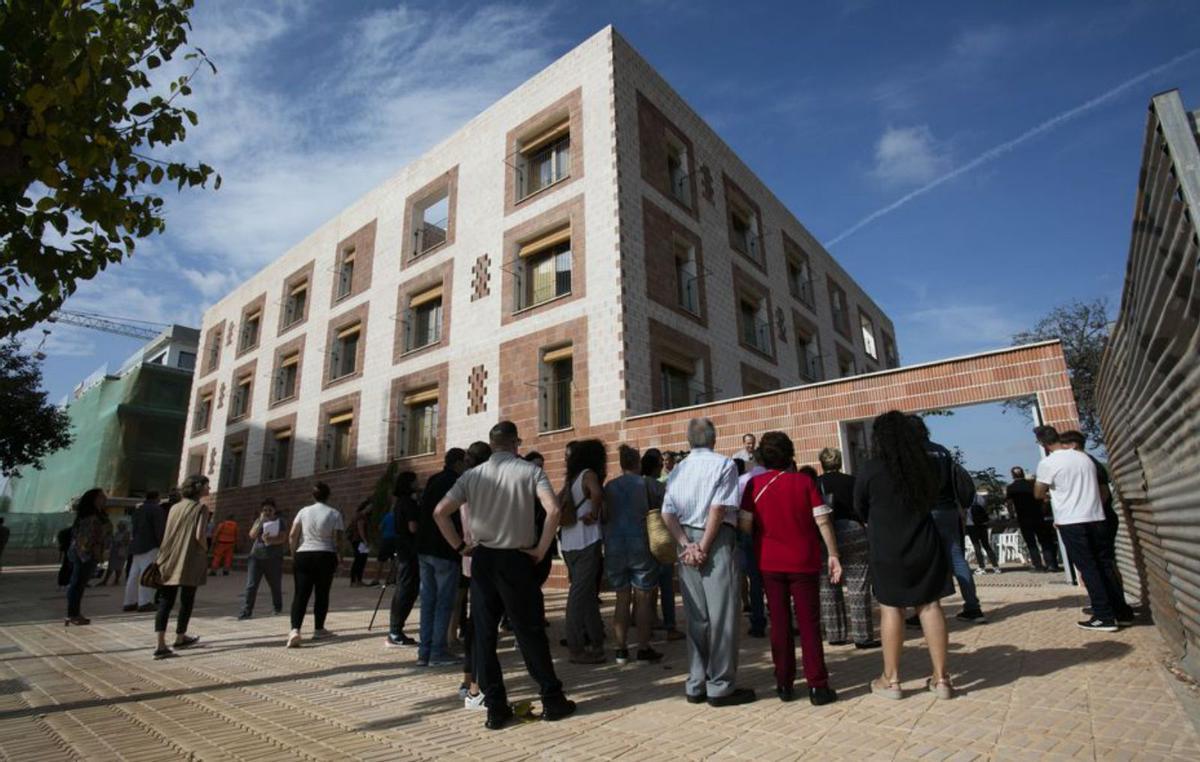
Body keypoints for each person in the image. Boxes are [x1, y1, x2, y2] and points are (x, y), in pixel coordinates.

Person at [434, 421, 577, 730]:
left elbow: (440, 512)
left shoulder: (472, 475)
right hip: (517, 557)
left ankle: (496, 709)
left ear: (492, 443)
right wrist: (541, 548)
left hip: (484, 557)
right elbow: (553, 510)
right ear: (516, 443)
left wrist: (460, 547)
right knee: (529, 631)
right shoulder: (529, 471)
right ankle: (552, 699)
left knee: (484, 635)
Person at [856, 412, 955, 700]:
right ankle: (941, 679)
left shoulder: (870, 468)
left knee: (891, 608)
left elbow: (859, 507)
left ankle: (892, 679)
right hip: (924, 542)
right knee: (930, 606)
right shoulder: (926, 467)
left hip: (886, 547)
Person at [661, 418, 756, 707]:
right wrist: (702, 546)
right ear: (713, 440)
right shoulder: (724, 464)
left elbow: (667, 513)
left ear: (689, 441)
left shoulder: (678, 469)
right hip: (715, 542)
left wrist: (685, 545)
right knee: (723, 616)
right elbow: (717, 508)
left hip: (686, 541)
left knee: (697, 618)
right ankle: (721, 686)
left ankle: (696, 682)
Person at [740, 432, 840, 704]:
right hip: (804, 560)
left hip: (769, 561)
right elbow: (822, 521)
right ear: (789, 454)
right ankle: (818, 685)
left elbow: (746, 525)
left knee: (779, 623)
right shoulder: (804, 482)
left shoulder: (753, 485)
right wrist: (833, 553)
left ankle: (784, 682)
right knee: (809, 623)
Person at [1034, 426, 1134, 631]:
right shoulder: (1085, 458)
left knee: (1088, 568)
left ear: (1043, 443)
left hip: (1072, 521)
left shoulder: (1048, 462)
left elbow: (1037, 493)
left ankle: (1103, 616)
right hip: (1097, 517)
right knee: (1105, 565)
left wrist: (1050, 492)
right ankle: (1122, 612)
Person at [908, 415, 986, 624]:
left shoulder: (911, 453)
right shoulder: (942, 450)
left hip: (924, 512)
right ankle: (973, 606)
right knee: (957, 558)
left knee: (925, 561)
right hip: (949, 509)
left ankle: (925, 611)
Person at [603, 444, 665, 665]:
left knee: (621, 597)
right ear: (638, 462)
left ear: (621, 464)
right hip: (641, 543)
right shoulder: (648, 484)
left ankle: (620, 650)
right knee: (643, 598)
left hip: (614, 546)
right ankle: (643, 647)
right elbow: (667, 505)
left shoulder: (609, 487)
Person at [816, 447, 879, 649]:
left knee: (828, 584)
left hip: (826, 534)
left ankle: (835, 634)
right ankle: (862, 636)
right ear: (840, 461)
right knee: (858, 584)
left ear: (822, 463)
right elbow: (863, 507)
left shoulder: (816, 483)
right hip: (853, 530)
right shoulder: (852, 481)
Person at [1060, 429, 1128, 606]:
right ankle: (1113, 605)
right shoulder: (1088, 463)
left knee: (1104, 564)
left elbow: (1103, 492)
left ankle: (1117, 606)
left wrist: (1090, 513)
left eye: (1064, 447)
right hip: (1098, 518)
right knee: (1102, 564)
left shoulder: (1088, 464)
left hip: (1099, 519)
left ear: (1073, 445)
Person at [557, 439, 607, 664]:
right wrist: (594, 513)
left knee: (586, 595)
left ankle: (597, 641)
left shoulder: (571, 479)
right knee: (579, 596)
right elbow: (596, 494)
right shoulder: (589, 474)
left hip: (568, 543)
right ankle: (576, 648)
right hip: (587, 540)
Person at [153, 475, 212, 658]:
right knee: (187, 599)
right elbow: (199, 535)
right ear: (198, 487)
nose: (208, 489)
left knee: (166, 601)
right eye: (206, 485)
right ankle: (180, 636)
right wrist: (206, 550)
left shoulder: (174, 507)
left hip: (168, 557)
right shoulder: (200, 508)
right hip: (189, 558)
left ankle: (160, 643)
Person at [417, 452, 467, 667]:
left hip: (424, 548)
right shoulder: (455, 482)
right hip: (445, 549)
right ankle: (438, 652)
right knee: (444, 602)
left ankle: (424, 652)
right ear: (458, 463)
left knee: (428, 602)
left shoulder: (433, 480)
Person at [287, 482, 345, 647]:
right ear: (329, 496)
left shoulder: (303, 511)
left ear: (313, 496)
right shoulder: (334, 513)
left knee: (300, 594)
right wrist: (339, 556)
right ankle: (318, 629)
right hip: (325, 554)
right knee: (322, 593)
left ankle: (295, 629)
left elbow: (292, 535)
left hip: (304, 553)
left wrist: (294, 555)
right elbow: (339, 539)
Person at [642, 448, 684, 641]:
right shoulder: (658, 487)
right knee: (666, 585)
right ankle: (670, 627)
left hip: (642, 539)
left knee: (645, 587)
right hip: (660, 538)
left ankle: (648, 624)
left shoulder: (636, 484)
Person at [385, 472, 421, 647]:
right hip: (409, 551)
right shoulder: (409, 503)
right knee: (407, 590)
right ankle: (395, 631)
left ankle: (395, 629)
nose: (417, 483)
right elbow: (413, 527)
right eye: (415, 481)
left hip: (402, 549)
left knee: (403, 588)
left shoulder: (399, 503)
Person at [65, 488, 110, 626]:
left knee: (79, 584)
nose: (105, 499)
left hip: (89, 554)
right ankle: (73, 614)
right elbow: (85, 539)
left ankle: (74, 613)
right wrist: (94, 553)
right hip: (85, 555)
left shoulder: (97, 515)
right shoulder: (90, 517)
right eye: (101, 497)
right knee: (77, 584)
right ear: (94, 500)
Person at [734, 456, 768, 639]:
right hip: (770, 531)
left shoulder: (743, 481)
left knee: (754, 579)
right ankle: (781, 617)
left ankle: (758, 622)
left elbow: (738, 509)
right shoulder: (776, 476)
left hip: (749, 531)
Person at [238, 498, 287, 620]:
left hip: (273, 558)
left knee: (275, 585)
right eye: (265, 510)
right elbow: (252, 535)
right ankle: (247, 610)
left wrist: (270, 540)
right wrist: (260, 521)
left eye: (270, 510)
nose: (267, 512)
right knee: (251, 585)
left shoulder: (280, 521)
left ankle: (277, 607)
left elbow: (282, 538)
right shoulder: (259, 521)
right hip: (256, 557)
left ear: (275, 511)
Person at [1005, 467, 1061, 572]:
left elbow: (1009, 504)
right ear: (1023, 473)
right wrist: (1042, 510)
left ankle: (1038, 565)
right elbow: (1044, 499)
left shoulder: (1011, 488)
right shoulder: (1032, 485)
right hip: (1037, 516)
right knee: (1045, 541)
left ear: (1012, 475)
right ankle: (1051, 564)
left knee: (1031, 543)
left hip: (1023, 517)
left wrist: (1012, 515)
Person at [124, 491, 166, 612]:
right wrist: (162, 544)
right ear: (157, 498)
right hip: (150, 545)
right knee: (148, 573)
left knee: (133, 575)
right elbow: (159, 529)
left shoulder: (138, 510)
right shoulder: (156, 510)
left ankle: (129, 601)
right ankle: (145, 602)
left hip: (137, 545)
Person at [524, 451, 558, 592]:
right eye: (536, 465)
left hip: (542, 541)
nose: (539, 469)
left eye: (541, 466)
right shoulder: (522, 488)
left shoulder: (543, 486)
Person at [966, 489, 1001, 574]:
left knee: (976, 545)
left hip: (971, 524)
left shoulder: (965, 499)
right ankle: (996, 567)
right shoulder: (981, 498)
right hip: (982, 524)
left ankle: (982, 567)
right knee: (986, 545)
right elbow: (985, 509)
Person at [348, 500, 374, 587]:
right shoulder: (361, 516)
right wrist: (365, 541)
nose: (371, 508)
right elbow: (361, 529)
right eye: (370, 507)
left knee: (362, 560)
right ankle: (354, 581)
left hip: (360, 541)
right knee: (359, 560)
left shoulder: (363, 516)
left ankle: (358, 580)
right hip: (359, 541)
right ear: (365, 506)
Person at [102, 520, 131, 586]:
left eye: (120, 525)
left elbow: (126, 542)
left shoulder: (126, 533)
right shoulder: (117, 533)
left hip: (121, 552)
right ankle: (105, 580)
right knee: (111, 567)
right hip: (114, 552)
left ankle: (116, 580)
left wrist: (118, 543)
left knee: (119, 567)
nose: (119, 527)